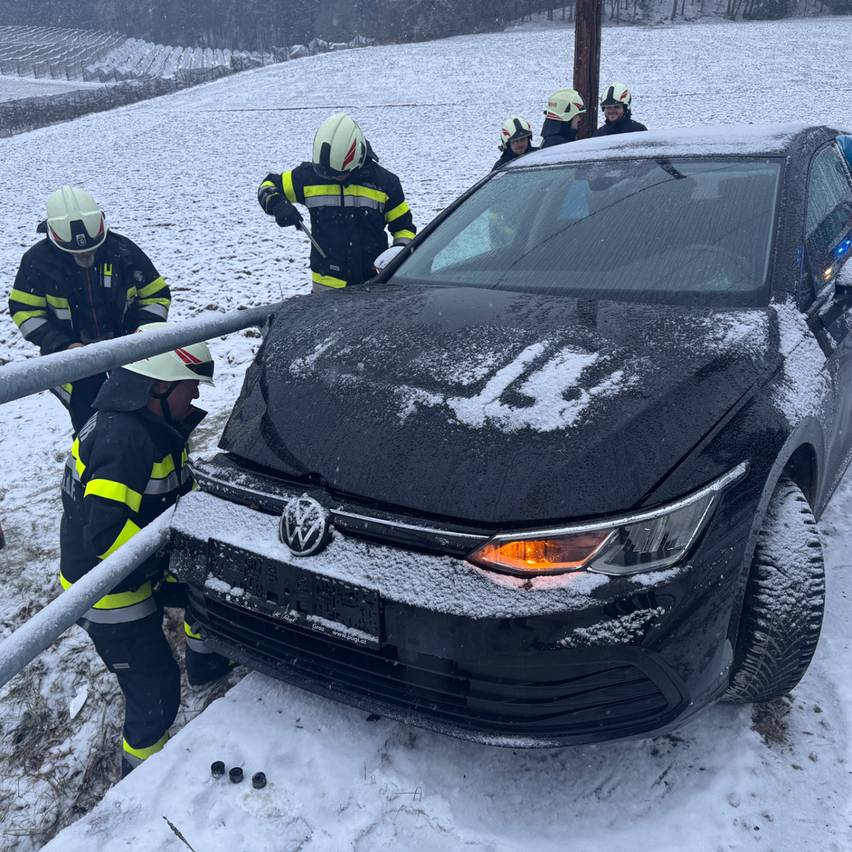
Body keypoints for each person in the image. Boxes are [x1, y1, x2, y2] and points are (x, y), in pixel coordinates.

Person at [59, 329, 232, 777]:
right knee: (154, 688)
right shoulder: (124, 440)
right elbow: (107, 537)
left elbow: (170, 491)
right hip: (109, 589)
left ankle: (208, 663)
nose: (195, 395)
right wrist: (175, 561)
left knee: (208, 582)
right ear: (158, 385)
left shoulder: (149, 423)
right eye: (190, 384)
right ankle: (140, 781)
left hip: (141, 567)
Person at [8, 186, 172, 434]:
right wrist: (64, 346)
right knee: (93, 430)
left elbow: (156, 296)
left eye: (91, 249)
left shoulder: (124, 251)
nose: (85, 255)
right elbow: (25, 313)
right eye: (76, 252)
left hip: (130, 354)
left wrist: (140, 336)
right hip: (74, 364)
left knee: (149, 420)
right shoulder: (37, 262)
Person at [258, 112, 417, 291]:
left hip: (375, 286)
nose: (332, 178)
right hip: (325, 289)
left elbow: (404, 228)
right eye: (326, 175)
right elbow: (268, 186)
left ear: (356, 159)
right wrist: (276, 204)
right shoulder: (309, 177)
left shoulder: (386, 184)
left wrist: (398, 257)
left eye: (339, 174)